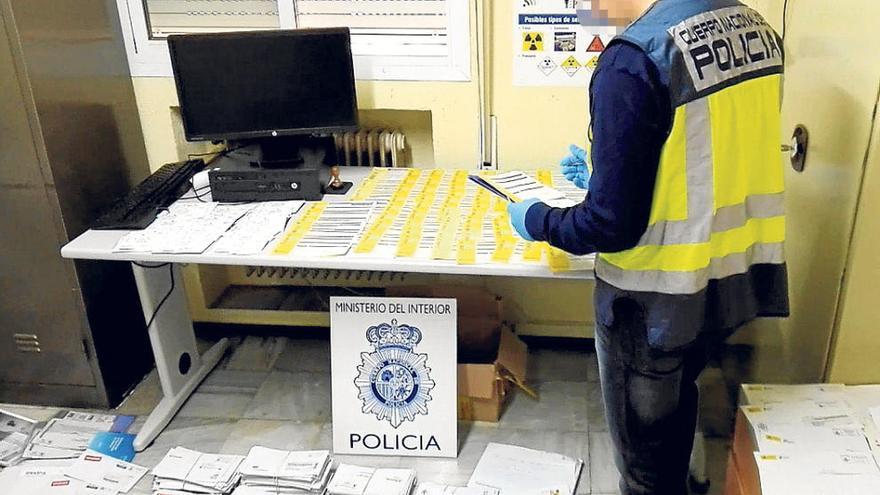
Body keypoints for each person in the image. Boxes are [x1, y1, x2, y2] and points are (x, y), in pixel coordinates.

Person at [507, 1, 789, 494]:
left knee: (644, 468)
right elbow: (704, 150)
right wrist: (612, 173)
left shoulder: (635, 57)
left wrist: (537, 219)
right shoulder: (754, 28)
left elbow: (609, 226)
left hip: (651, 299)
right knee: (678, 401)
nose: (593, 7)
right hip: (725, 276)